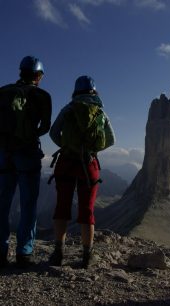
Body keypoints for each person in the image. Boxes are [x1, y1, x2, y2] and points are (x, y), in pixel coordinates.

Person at [49, 75, 115, 268]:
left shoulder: (69, 109)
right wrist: (91, 152)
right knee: (87, 210)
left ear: (76, 91)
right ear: (94, 91)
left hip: (66, 162)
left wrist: (68, 147)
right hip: (89, 166)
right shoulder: (100, 112)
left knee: (62, 207)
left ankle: (58, 254)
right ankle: (87, 256)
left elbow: (53, 133)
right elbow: (112, 140)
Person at [0, 56, 52, 268]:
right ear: (38, 76)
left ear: (20, 72)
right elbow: (46, 126)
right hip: (27, 154)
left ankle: (0, 251)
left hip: (3, 154)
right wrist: (30, 135)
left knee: (2, 203)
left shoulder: (2, 92)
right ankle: (24, 252)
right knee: (28, 204)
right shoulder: (42, 95)